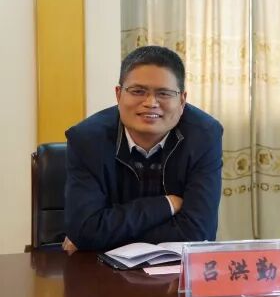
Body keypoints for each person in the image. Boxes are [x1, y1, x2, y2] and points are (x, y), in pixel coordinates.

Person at [62, 46, 223, 252]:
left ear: (182, 100)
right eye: (138, 91)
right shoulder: (86, 139)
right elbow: (85, 230)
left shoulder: (204, 135)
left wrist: (102, 236)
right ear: (118, 94)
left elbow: (198, 233)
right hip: (100, 268)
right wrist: (166, 205)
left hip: (173, 268)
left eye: (164, 93)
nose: (151, 103)